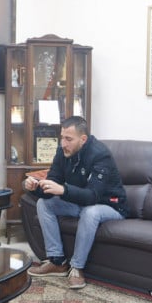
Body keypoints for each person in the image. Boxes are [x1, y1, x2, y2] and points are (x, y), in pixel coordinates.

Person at [24, 116, 128, 289]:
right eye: (62, 138)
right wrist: (35, 187)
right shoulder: (63, 151)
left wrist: (63, 190)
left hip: (110, 205)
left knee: (90, 212)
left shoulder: (100, 155)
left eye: (69, 139)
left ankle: (77, 268)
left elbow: (93, 196)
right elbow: (52, 182)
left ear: (83, 139)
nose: (63, 143)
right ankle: (57, 261)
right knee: (44, 204)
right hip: (80, 203)